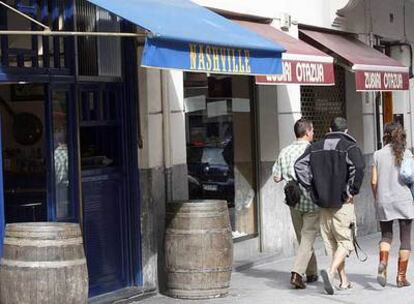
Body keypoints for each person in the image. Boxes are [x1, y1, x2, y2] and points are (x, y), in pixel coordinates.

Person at [295, 117, 365, 295]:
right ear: (346, 131)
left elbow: (299, 165)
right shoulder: (349, 146)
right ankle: (332, 272)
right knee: (346, 241)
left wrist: (312, 188)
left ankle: (344, 281)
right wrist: (351, 191)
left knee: (334, 243)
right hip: (342, 203)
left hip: (323, 203)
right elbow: (359, 167)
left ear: (329, 128)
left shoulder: (315, 146)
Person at [273, 118, 320, 289]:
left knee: (303, 239)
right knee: (307, 239)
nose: (313, 133)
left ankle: (312, 272)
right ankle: (297, 274)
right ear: (307, 132)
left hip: (293, 201)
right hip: (312, 201)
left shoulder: (284, 151)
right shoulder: (313, 150)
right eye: (312, 130)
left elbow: (276, 177)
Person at [371, 122, 414, 288]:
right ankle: (401, 277)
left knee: (386, 236)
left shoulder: (377, 154)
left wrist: (377, 197)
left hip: (384, 200)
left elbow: (374, 181)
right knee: (405, 238)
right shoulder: (407, 153)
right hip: (404, 199)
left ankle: (383, 262)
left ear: (386, 135)